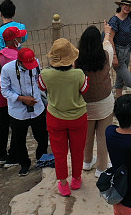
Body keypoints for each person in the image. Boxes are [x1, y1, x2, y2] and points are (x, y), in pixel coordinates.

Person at [38, 38, 89, 197]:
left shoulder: (45, 74)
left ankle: (63, 183)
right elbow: (84, 90)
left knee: (59, 153)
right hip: (78, 117)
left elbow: (41, 87)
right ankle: (77, 178)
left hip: (55, 117)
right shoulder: (78, 74)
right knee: (77, 150)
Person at [0, 47, 48, 176]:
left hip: (37, 108)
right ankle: (24, 164)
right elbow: (4, 90)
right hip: (18, 112)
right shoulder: (7, 69)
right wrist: (22, 98)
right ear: (19, 62)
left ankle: (41, 158)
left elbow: (39, 80)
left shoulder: (35, 64)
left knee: (43, 137)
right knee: (19, 140)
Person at [76, 25, 115, 177]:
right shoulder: (106, 55)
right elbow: (108, 44)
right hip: (104, 102)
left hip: (85, 104)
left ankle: (86, 162)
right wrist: (107, 32)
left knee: (87, 135)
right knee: (103, 136)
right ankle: (101, 167)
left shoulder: (77, 61)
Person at [0, 25, 25, 165]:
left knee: (2, 126)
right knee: (16, 127)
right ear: (14, 40)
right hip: (15, 98)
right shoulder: (19, 57)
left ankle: (1, 155)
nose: (21, 39)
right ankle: (13, 156)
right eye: (19, 37)